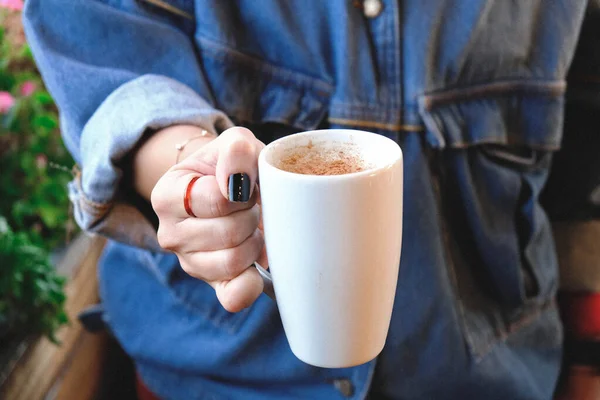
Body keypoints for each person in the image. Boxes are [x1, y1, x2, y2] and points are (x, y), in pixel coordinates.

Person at [22, 1, 600, 399]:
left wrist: (587, 364)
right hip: (216, 379)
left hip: (492, 378)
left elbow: (578, 182)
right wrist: (193, 172)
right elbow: (108, 47)